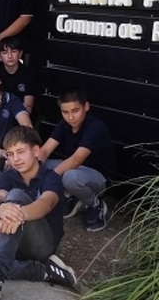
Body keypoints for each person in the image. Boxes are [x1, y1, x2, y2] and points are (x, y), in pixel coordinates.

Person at [0, 126, 77, 299]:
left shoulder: (51, 177)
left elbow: (46, 203)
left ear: (36, 151)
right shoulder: (7, 176)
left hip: (40, 243)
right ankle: (42, 271)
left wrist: (17, 213)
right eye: (10, 154)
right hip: (8, 236)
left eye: (20, 152)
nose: (16, 159)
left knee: (16, 195)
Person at [38, 87, 116, 232]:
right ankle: (75, 197)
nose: (71, 117)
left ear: (86, 107)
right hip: (77, 171)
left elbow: (75, 160)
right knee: (40, 166)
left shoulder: (95, 127)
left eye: (75, 110)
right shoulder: (64, 124)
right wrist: (33, 169)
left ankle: (95, 204)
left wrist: (50, 178)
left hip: (99, 178)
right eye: (65, 112)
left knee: (69, 177)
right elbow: (45, 150)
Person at [0, 37, 35, 113]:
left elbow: (28, 106)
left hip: (21, 114)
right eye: (5, 53)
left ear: (20, 54)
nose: (10, 56)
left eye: (14, 51)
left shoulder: (28, 73)